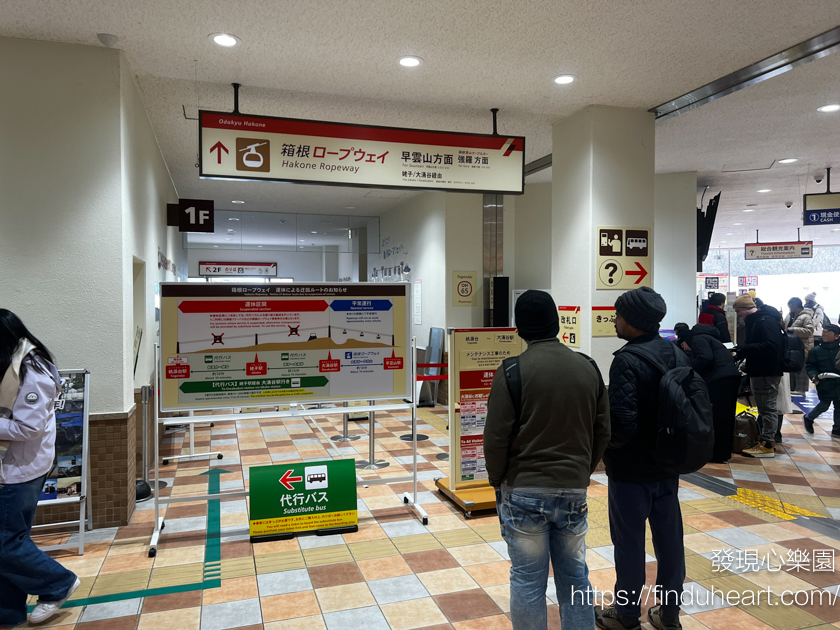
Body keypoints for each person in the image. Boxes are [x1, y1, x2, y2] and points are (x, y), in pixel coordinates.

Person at [485, 290, 610, 630]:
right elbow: (603, 431)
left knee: (527, 579)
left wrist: (497, 480)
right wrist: (581, 472)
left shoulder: (511, 371)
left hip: (523, 489)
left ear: (519, 329)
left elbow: (496, 437)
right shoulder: (587, 367)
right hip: (572, 489)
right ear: (557, 323)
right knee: (575, 577)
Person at [595, 287, 687, 630]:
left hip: (632, 471)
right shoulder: (676, 352)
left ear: (632, 320)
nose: (614, 320)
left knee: (629, 543)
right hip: (669, 465)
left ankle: (627, 614)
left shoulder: (627, 360)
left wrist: (607, 451)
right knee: (670, 541)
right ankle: (670, 613)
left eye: (617, 315)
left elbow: (622, 422)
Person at [0, 310, 80, 627]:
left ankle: (57, 583)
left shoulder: (31, 372)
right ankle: (7, 612)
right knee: (9, 544)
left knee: (6, 543)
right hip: (13, 470)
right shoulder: (11, 366)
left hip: (19, 473)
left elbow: (28, 428)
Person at [732, 294, 785, 457]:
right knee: (765, 408)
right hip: (762, 370)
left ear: (747, 309)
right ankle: (766, 441)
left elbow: (771, 346)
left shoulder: (764, 321)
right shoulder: (761, 320)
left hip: (766, 371)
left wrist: (743, 349)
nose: (739, 315)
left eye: (739, 311)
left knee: (767, 408)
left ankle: (767, 445)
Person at [682, 324, 740, 462]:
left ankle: (715, 453)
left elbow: (705, 358)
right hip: (732, 377)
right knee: (727, 417)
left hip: (719, 380)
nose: (684, 347)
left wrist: (688, 366)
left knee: (717, 416)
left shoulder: (698, 338)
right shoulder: (713, 340)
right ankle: (723, 452)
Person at [803, 324, 840, 438]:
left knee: (839, 404)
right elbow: (810, 366)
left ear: (837, 336)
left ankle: (837, 428)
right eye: (823, 332)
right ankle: (809, 417)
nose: (824, 334)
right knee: (824, 404)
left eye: (828, 333)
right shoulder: (816, 350)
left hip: (839, 382)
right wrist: (813, 375)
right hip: (824, 381)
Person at [785, 298, 815, 395]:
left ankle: (801, 390)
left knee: (802, 369)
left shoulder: (806, 316)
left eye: (790, 306)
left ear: (794, 306)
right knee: (792, 367)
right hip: (791, 346)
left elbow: (809, 331)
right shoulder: (790, 316)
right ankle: (792, 388)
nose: (789, 308)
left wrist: (793, 329)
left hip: (803, 346)